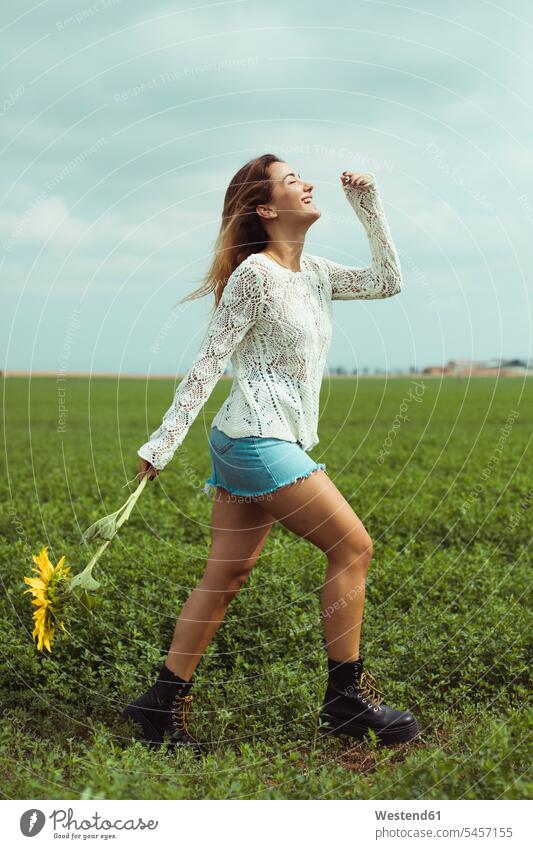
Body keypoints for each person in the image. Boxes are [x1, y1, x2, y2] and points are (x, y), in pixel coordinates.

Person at [121, 154, 420, 756]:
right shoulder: (253, 276)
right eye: (292, 181)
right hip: (256, 439)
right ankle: (346, 699)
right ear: (265, 208)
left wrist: (370, 208)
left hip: (257, 439)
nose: (306, 184)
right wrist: (162, 441)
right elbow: (210, 361)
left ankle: (160, 703)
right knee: (353, 546)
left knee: (226, 575)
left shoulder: (314, 272)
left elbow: (388, 280)